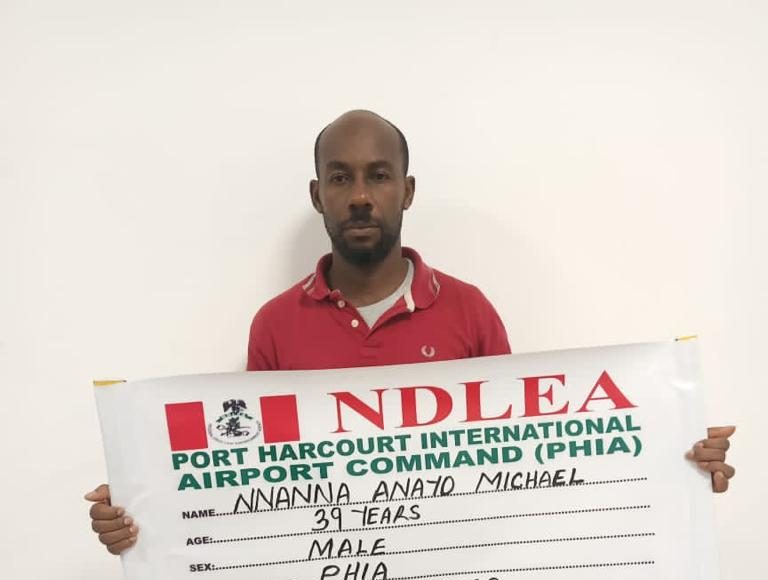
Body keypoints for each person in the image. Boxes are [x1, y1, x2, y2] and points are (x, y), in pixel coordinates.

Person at [85, 109, 736, 555]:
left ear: (407, 189)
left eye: (378, 175)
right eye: (340, 177)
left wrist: (668, 457)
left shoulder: (469, 312)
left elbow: (529, 459)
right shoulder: (275, 325)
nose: (359, 195)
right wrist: (149, 503)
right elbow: (252, 481)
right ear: (317, 194)